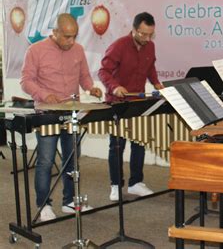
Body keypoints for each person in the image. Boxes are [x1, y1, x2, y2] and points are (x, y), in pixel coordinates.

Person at [20, 13, 103, 221]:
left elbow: (84, 76)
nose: (71, 41)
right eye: (67, 36)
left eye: (74, 36)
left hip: (72, 112)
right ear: (55, 32)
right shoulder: (36, 50)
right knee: (46, 161)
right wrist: (43, 95)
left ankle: (69, 202)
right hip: (47, 113)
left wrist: (91, 88)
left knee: (72, 160)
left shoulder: (78, 50)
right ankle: (43, 205)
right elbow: (26, 80)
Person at [98, 12, 163, 201]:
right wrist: (115, 86)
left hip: (138, 102)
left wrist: (157, 83)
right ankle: (116, 185)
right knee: (117, 146)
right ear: (134, 30)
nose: (147, 38)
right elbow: (103, 71)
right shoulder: (119, 46)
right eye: (143, 34)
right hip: (118, 102)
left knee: (139, 143)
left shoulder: (150, 47)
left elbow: (150, 67)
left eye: (150, 34)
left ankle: (136, 183)